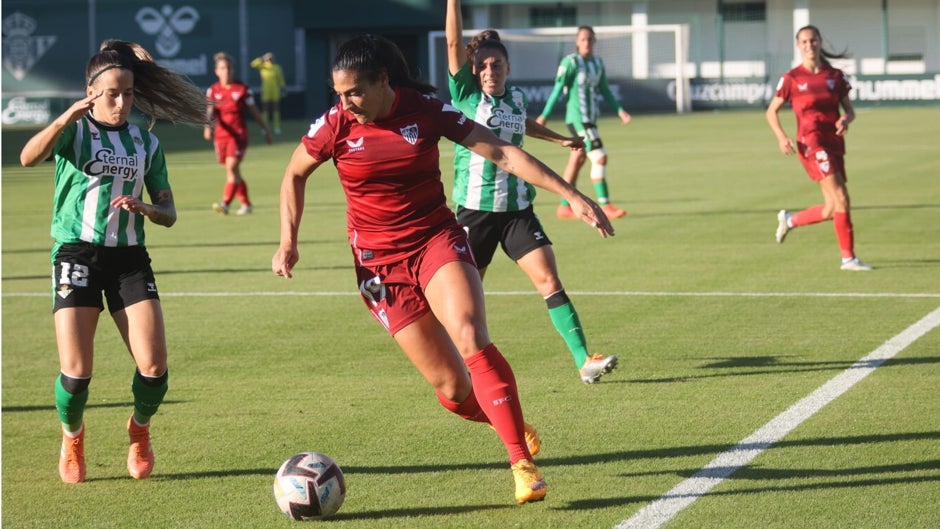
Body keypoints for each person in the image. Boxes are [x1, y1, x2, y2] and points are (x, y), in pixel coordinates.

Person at [271, 34, 614, 504]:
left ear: (382, 81)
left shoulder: (425, 109)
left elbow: (502, 151)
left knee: (471, 334)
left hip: (436, 241)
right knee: (452, 389)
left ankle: (521, 463)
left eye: (354, 92)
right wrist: (288, 240)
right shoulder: (335, 125)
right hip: (377, 270)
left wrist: (572, 194)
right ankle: (509, 419)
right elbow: (293, 173)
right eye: (339, 94)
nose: (346, 103)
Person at [19, 39, 207, 484]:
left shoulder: (147, 142)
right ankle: (72, 436)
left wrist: (149, 210)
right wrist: (66, 115)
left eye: (127, 93)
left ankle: (139, 431)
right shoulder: (75, 131)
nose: (121, 103)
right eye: (111, 94)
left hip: (129, 260)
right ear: (91, 91)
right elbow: (28, 158)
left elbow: (170, 212)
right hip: (76, 253)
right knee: (78, 372)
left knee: (154, 367)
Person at [445, 0, 618, 384]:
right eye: (484, 65)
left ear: (508, 67)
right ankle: (453, 367)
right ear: (475, 70)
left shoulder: (517, 98)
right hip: (475, 212)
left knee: (549, 281)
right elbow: (454, 43)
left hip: (518, 210)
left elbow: (524, 124)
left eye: (498, 64)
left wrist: (558, 140)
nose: (490, 70)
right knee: (466, 301)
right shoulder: (466, 95)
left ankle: (584, 360)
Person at [765, 25, 872, 271]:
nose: (809, 45)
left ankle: (790, 220)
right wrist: (782, 137)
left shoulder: (834, 77)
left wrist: (846, 119)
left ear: (820, 42)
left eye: (813, 40)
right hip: (811, 143)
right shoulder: (792, 78)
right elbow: (771, 111)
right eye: (804, 41)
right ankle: (848, 259)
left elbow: (850, 110)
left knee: (831, 208)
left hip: (833, 142)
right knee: (842, 198)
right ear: (798, 46)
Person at [537, 25, 632, 220]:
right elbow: (557, 89)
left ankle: (564, 206)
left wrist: (619, 110)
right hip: (578, 119)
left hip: (591, 119)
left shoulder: (598, 63)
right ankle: (605, 205)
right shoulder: (570, 62)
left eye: (590, 39)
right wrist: (544, 115)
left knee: (577, 160)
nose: (587, 42)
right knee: (599, 156)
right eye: (583, 39)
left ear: (595, 41)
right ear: (577, 42)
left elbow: (605, 89)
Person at [205, 51, 272, 216]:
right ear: (216, 71)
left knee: (232, 167)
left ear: (232, 70)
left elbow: (254, 111)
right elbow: (210, 111)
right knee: (232, 172)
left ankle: (225, 204)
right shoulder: (213, 90)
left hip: (238, 135)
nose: (226, 71)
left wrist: (266, 129)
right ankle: (247, 204)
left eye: (228, 68)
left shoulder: (242, 89)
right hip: (221, 136)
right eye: (222, 68)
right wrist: (207, 127)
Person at [250, 51, 286, 135]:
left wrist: (283, 88)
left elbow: (281, 79)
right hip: (266, 90)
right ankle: (264, 127)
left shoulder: (277, 67)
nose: (270, 60)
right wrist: (262, 58)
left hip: (275, 90)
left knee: (276, 109)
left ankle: (277, 128)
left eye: (271, 58)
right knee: (265, 109)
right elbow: (253, 64)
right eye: (268, 58)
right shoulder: (263, 66)